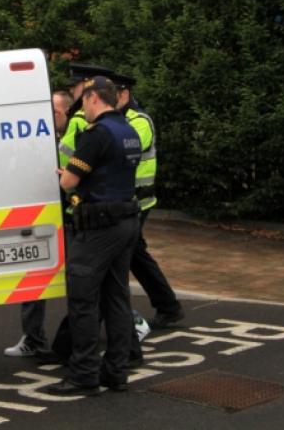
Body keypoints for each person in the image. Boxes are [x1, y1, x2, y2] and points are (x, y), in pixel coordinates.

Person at [47, 76, 141, 396]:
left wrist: (64, 175)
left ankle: (84, 373)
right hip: (127, 221)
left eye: (83, 101)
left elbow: (70, 182)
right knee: (117, 299)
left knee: (84, 301)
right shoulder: (128, 130)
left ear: (93, 99)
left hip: (98, 227)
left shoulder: (97, 134)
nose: (82, 108)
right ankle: (116, 372)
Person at [112, 72, 185, 330]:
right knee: (135, 253)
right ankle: (168, 306)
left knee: (128, 254)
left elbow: (123, 150)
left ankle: (162, 308)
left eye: (114, 93)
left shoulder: (140, 120)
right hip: (125, 201)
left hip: (138, 201)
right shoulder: (114, 119)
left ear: (125, 94)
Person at [4, 90, 73, 357]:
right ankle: (33, 338)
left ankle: (128, 323)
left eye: (55, 111)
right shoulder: (36, 139)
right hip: (40, 217)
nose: (50, 116)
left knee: (85, 282)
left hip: (72, 219)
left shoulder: (79, 136)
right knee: (33, 278)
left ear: (67, 111)